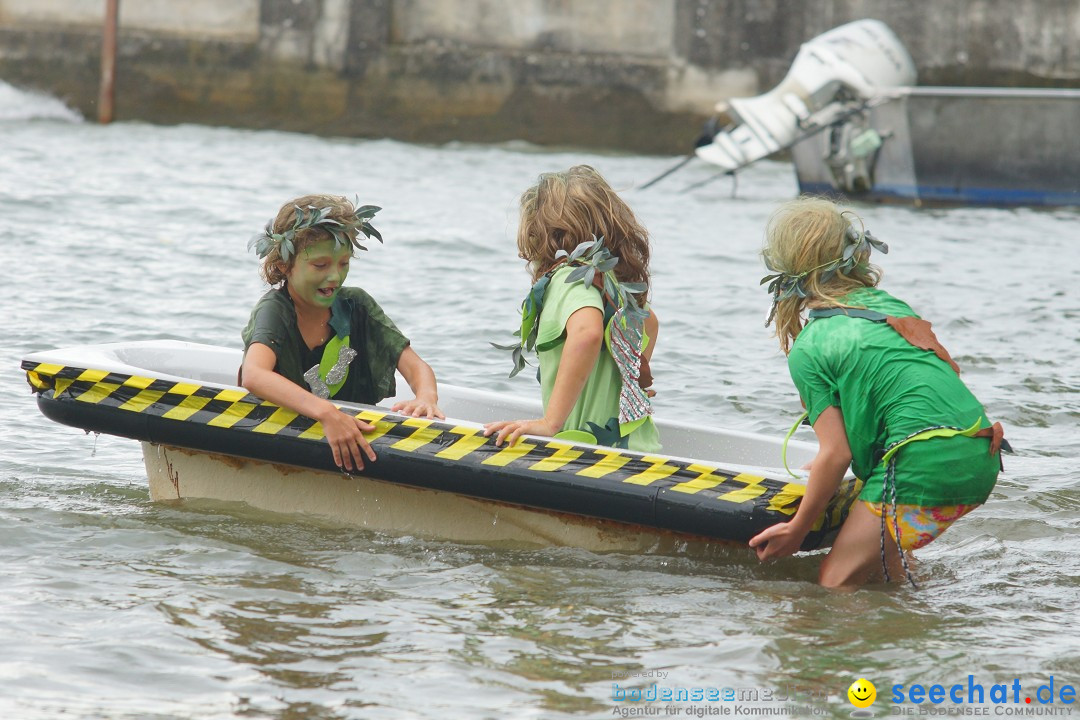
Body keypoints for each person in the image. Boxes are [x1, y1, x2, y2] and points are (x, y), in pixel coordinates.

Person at [748, 197, 1006, 588]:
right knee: (884, 571)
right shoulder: (889, 307)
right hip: (979, 451)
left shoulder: (811, 346)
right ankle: (900, 633)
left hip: (922, 457)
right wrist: (817, 473)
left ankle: (853, 645)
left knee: (836, 581)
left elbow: (838, 452)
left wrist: (797, 530)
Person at [240, 194, 443, 472]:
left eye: (343, 263)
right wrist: (327, 414)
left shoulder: (356, 305)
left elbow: (415, 365)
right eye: (320, 265)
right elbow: (255, 375)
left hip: (359, 433)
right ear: (284, 265)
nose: (335, 276)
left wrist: (426, 398)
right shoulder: (276, 310)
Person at [483, 165, 661, 452]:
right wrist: (633, 382)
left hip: (592, 457)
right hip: (637, 448)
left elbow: (588, 333)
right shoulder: (611, 282)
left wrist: (550, 423)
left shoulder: (569, 278)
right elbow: (650, 324)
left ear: (539, 231)